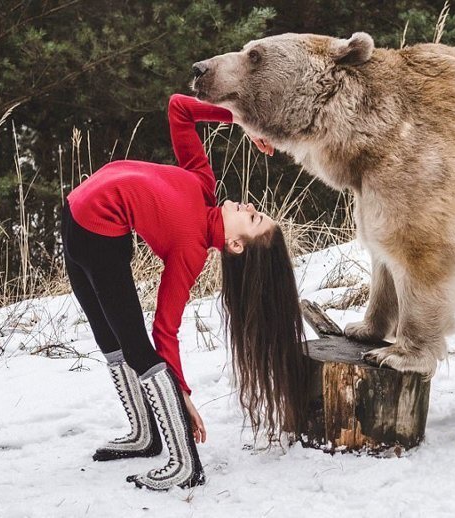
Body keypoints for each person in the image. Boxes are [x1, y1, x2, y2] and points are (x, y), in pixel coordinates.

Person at [61, 94, 309, 491]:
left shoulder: (190, 251)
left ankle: (183, 464)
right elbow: (180, 108)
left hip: (98, 236)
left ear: (237, 245)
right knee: (108, 335)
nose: (249, 204)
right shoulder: (203, 185)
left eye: (254, 217)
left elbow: (165, 330)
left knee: (136, 345)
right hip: (75, 215)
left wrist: (183, 395)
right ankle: (145, 435)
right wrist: (244, 120)